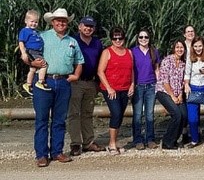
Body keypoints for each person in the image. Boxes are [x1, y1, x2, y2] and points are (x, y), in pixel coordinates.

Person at [27, 8, 83, 167]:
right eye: (58, 20)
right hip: (44, 81)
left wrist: (77, 75)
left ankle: (57, 151)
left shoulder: (72, 41)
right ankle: (41, 155)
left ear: (67, 23)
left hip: (64, 82)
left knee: (59, 119)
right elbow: (28, 55)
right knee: (42, 119)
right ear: (52, 22)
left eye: (64, 20)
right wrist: (32, 62)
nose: (61, 23)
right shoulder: (41, 37)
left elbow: (79, 61)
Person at [67, 16, 104, 155]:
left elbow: (101, 62)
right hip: (76, 82)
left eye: (91, 26)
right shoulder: (72, 41)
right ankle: (75, 144)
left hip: (91, 82)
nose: (88, 28)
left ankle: (88, 142)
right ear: (79, 27)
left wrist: (99, 82)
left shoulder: (97, 43)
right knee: (74, 113)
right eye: (86, 26)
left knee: (88, 113)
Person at [97, 27, 134, 155]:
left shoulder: (129, 52)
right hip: (111, 88)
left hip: (125, 88)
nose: (118, 40)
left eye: (120, 38)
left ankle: (115, 141)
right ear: (111, 39)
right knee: (116, 113)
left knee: (120, 115)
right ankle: (111, 143)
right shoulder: (107, 52)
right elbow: (100, 71)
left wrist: (132, 84)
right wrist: (108, 87)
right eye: (115, 38)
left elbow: (132, 70)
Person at [183, 37, 204, 149]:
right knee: (192, 118)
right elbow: (187, 74)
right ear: (193, 47)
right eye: (196, 46)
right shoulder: (190, 58)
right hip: (193, 88)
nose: (198, 48)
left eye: (200, 46)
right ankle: (194, 139)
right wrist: (187, 84)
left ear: (203, 46)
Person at [131, 29, 160, 150]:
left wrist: (158, 84)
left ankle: (150, 139)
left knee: (150, 114)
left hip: (151, 86)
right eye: (141, 37)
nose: (143, 39)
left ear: (149, 38)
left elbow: (157, 69)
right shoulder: (133, 52)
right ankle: (137, 139)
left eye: (146, 37)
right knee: (137, 114)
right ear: (138, 39)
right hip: (138, 86)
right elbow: (130, 70)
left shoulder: (154, 52)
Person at [156, 39, 187, 150]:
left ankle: (174, 139)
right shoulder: (167, 60)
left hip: (178, 93)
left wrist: (180, 95)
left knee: (184, 115)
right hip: (164, 91)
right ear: (173, 48)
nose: (179, 49)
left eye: (181, 47)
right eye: (177, 47)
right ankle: (167, 142)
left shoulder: (183, 63)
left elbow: (183, 81)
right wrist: (172, 96)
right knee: (176, 114)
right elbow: (164, 81)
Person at [18, 9, 48, 93]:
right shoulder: (25, 31)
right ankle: (40, 81)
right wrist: (23, 53)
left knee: (33, 69)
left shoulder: (35, 31)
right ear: (26, 21)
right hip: (32, 51)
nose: (34, 24)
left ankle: (28, 84)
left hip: (37, 52)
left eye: (36, 22)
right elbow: (21, 42)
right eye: (32, 21)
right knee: (44, 65)